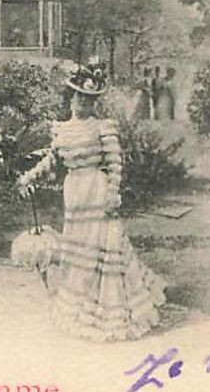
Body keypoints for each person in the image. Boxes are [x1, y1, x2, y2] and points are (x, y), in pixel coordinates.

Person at [17, 65, 166, 341]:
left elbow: (115, 164)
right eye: (78, 97)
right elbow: (51, 161)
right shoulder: (62, 129)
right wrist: (27, 177)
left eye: (88, 99)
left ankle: (110, 306)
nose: (82, 103)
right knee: (79, 250)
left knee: (103, 246)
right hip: (74, 193)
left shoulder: (102, 127)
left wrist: (112, 193)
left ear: (94, 102)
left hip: (96, 191)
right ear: (70, 98)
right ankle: (80, 298)